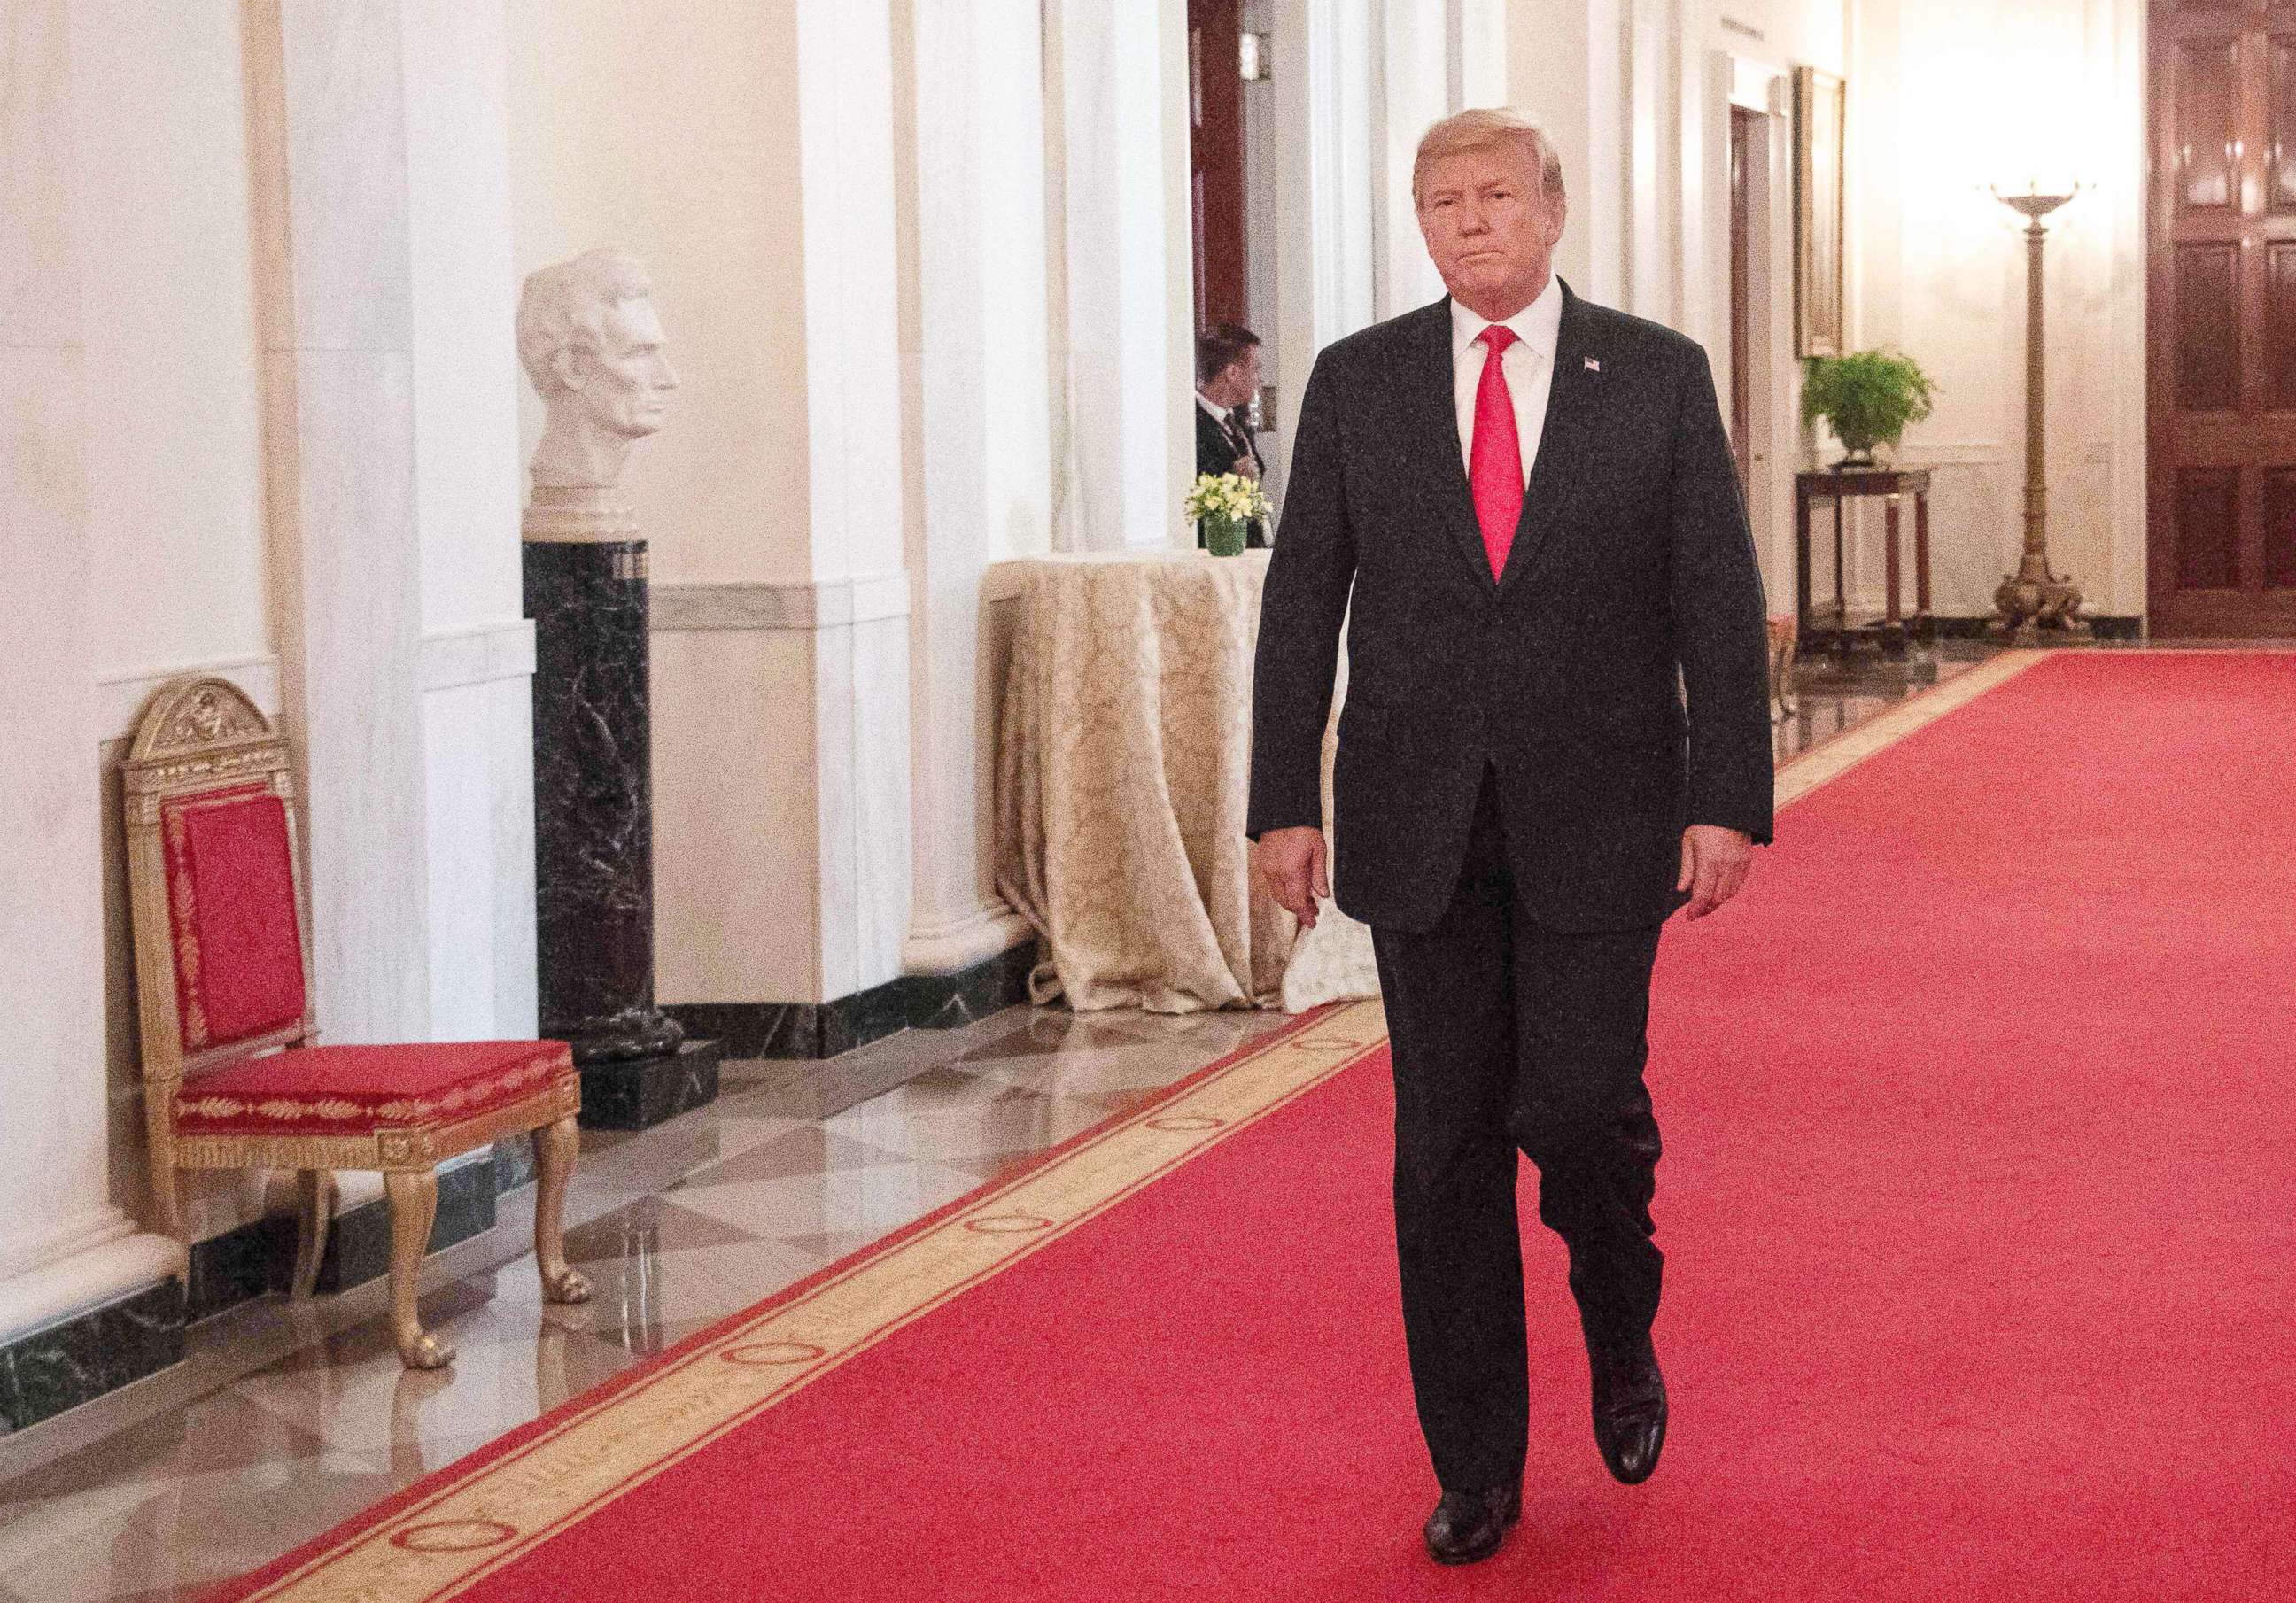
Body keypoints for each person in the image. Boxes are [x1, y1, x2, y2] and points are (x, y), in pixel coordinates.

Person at [1245, 108, 1772, 1567]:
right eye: (1438, 203)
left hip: (1603, 807)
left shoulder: (1652, 376)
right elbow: (1303, 604)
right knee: (1444, 1149)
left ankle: (1618, 1296)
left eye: (1492, 196)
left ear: (1552, 205)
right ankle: (1475, 1462)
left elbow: (1712, 598)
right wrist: (1279, 799)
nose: (1468, 223)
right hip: (1417, 816)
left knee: (1576, 1105)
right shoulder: (1358, 384)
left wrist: (1725, 794)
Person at [1194, 323, 1269, 548]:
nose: (1259, 378)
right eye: (1255, 368)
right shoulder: (1190, 423)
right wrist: (1233, 478)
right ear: (1232, 373)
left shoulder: (1238, 419)